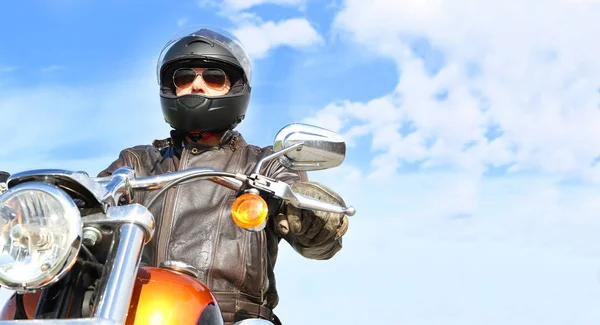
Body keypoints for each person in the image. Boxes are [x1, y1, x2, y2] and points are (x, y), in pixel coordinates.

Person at [98, 26, 349, 325]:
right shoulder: (138, 161)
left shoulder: (265, 164)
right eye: (185, 78)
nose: (197, 85)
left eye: (214, 78)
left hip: (234, 318)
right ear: (172, 88)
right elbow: (92, 204)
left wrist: (312, 214)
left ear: (235, 89)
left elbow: (318, 245)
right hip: (144, 312)